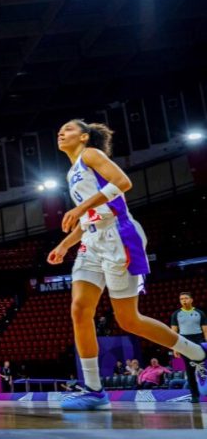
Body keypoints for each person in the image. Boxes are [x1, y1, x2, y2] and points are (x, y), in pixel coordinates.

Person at [47, 120, 207, 410]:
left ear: (84, 136)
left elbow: (122, 184)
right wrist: (64, 244)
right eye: (60, 130)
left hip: (118, 238)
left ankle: (197, 353)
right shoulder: (72, 172)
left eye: (69, 129)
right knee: (80, 309)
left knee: (128, 320)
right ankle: (94, 390)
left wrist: (81, 207)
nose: (61, 132)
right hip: (92, 243)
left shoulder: (91, 155)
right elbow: (89, 219)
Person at [170, 291, 206, 401]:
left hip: (198, 341)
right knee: (189, 371)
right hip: (184, 342)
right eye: (181, 299)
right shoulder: (176, 314)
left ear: (191, 300)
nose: (184, 300)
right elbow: (173, 332)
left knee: (203, 369)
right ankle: (195, 396)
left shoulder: (200, 313)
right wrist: (175, 348)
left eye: (186, 298)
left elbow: (205, 330)